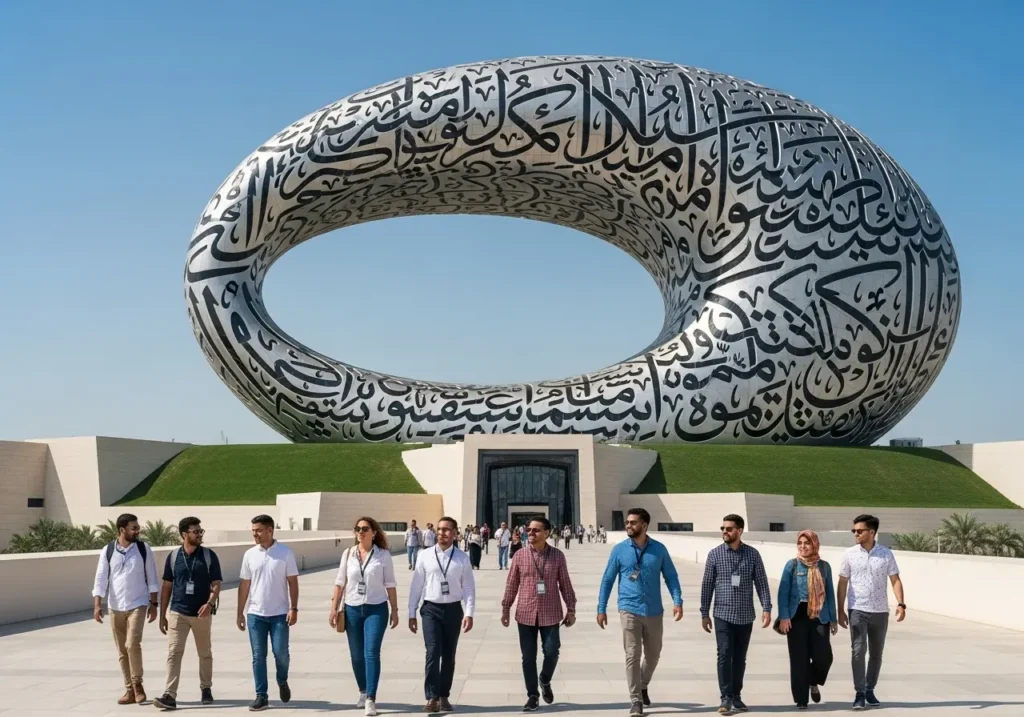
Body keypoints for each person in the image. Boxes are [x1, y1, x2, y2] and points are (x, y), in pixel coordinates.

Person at [597, 508, 683, 717]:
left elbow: (671, 576)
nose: (628, 525)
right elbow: (608, 579)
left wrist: (677, 601)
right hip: (629, 608)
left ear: (644, 525)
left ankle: (643, 683)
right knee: (632, 654)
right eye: (627, 522)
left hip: (654, 610)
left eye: (633, 522)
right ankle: (635, 700)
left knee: (653, 654)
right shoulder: (619, 550)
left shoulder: (659, 550)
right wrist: (601, 608)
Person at [501, 517, 577, 711]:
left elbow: (565, 584)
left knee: (552, 652)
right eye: (529, 530)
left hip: (550, 613)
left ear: (547, 533)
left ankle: (544, 679)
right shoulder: (520, 555)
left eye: (536, 530)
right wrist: (505, 608)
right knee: (528, 657)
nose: (531, 533)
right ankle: (532, 695)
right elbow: (511, 584)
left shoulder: (558, 556)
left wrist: (571, 609)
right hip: (525, 612)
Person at [699, 514, 772, 716]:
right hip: (722, 613)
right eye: (723, 528)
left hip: (745, 615)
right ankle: (725, 697)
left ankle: (736, 696)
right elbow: (707, 585)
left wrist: (767, 608)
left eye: (729, 529)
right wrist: (704, 613)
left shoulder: (752, 554)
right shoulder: (714, 554)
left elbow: (762, 583)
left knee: (740, 657)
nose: (724, 532)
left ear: (739, 531)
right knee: (724, 654)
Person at [330, 517, 400, 717]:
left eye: (365, 529)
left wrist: (395, 610)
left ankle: (371, 698)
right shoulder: (348, 554)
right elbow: (339, 582)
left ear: (374, 533)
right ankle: (362, 690)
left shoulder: (383, 555)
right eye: (357, 529)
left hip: (376, 609)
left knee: (371, 653)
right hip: (352, 609)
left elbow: (390, 584)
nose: (360, 532)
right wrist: (334, 608)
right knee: (356, 655)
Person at [153, 517, 223, 711]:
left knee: (204, 653)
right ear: (184, 534)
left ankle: (206, 688)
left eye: (201, 531)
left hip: (202, 614)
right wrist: (162, 615)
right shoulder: (174, 557)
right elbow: (166, 586)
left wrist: (209, 604)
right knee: (174, 653)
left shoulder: (209, 556)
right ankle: (169, 695)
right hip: (178, 613)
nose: (199, 535)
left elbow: (216, 584)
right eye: (196, 531)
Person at [837, 514, 905, 711]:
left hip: (880, 611)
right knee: (858, 652)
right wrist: (840, 610)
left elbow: (895, 579)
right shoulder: (849, 554)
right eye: (854, 531)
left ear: (872, 532)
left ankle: (869, 689)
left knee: (876, 654)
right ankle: (859, 693)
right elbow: (842, 582)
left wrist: (901, 604)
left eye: (859, 531)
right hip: (857, 609)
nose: (855, 534)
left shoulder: (886, 554)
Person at [409, 516, 476, 713]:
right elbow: (416, 586)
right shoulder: (425, 555)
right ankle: (431, 697)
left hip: (454, 610)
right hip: (431, 609)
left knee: (449, 655)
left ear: (455, 533)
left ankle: (444, 695)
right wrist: (411, 612)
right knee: (432, 652)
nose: (442, 533)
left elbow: (469, 587)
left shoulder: (462, 558)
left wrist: (469, 613)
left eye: (446, 530)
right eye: (439, 530)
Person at [92, 512, 159, 706]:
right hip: (115, 606)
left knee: (132, 644)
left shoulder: (143, 549)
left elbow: (152, 578)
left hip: (138, 603)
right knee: (122, 650)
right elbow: (101, 578)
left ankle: (138, 684)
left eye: (138, 527)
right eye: (134, 528)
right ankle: (129, 690)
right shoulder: (108, 550)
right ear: (122, 530)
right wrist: (97, 604)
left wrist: (153, 605)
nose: (137, 531)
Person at [237, 514, 299, 712]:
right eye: (253, 530)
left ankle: (282, 680)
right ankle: (261, 695)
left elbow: (293, 582)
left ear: (270, 530)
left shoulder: (285, 553)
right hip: (255, 614)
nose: (255, 534)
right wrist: (240, 613)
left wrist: (293, 607)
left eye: (258, 530)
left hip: (280, 614)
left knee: (281, 654)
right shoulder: (249, 554)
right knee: (258, 656)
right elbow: (244, 584)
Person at [777, 530, 837, 710]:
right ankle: (801, 699)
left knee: (824, 656)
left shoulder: (824, 567)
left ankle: (813, 681)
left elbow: (830, 594)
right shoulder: (792, 565)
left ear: (815, 544)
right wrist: (784, 617)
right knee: (799, 659)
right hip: (796, 615)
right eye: (800, 543)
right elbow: (783, 593)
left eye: (807, 543)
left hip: (819, 615)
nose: (803, 546)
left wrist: (833, 618)